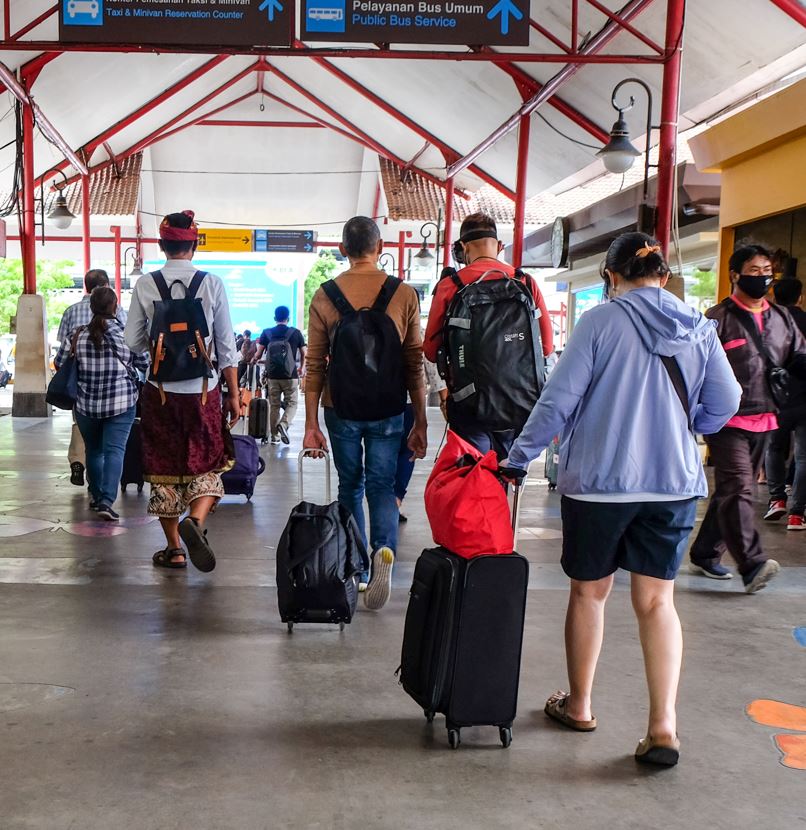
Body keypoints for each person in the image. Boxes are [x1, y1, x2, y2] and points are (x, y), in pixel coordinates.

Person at [500, 232, 740, 766]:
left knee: (589, 594)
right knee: (657, 602)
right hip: (672, 485)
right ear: (662, 274)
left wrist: (519, 458)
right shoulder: (698, 325)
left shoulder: (599, 323)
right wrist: (688, 428)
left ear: (611, 276)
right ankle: (663, 728)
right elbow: (728, 399)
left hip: (600, 487)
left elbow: (557, 401)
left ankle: (580, 705)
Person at [304, 216, 427, 610]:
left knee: (350, 486)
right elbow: (414, 363)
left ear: (343, 250)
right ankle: (383, 553)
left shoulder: (324, 296)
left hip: (340, 407)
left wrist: (309, 424)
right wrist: (420, 420)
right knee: (382, 486)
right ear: (380, 249)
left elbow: (315, 365)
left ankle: (354, 563)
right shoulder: (404, 293)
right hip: (389, 407)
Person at [125, 210, 239, 571]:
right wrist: (234, 394)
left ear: (162, 245)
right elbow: (226, 346)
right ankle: (196, 521)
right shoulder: (211, 283)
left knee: (164, 466)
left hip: (159, 392)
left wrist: (159, 342)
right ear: (194, 244)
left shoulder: (146, 284)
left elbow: (133, 342)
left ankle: (174, 549)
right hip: (203, 392)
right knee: (208, 459)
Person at [689, 245, 806, 590]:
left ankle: (705, 552)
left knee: (730, 490)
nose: (762, 277)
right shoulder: (717, 319)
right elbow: (696, 370)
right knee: (739, 487)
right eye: (753, 270)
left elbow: (798, 356)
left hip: (767, 416)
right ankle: (751, 564)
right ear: (735, 275)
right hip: (726, 421)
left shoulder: (781, 318)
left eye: (767, 270)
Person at [423, 212, 554, 459]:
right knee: (508, 473)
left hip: (469, 403)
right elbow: (546, 347)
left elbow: (430, 350)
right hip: (520, 401)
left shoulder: (452, 285)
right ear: (499, 246)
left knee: (476, 475)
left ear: (463, 247)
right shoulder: (525, 281)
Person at [54, 287, 148, 521]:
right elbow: (145, 361)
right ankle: (107, 500)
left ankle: (96, 497)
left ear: (91, 307)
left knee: (93, 451)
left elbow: (59, 363)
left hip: (86, 404)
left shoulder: (77, 335)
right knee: (115, 450)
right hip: (121, 402)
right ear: (115, 307)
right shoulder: (126, 334)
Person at [57, 269, 128, 488]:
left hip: (82, 390)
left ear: (86, 287)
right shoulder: (120, 314)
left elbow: (62, 357)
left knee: (85, 431)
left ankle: (79, 462)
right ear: (107, 286)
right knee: (113, 445)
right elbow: (131, 348)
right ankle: (105, 494)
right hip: (116, 392)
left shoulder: (71, 312)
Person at [765, 278, 806, 530]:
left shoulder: (767, 323)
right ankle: (796, 515)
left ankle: (777, 499)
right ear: (800, 297)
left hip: (776, 398)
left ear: (774, 296)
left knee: (773, 449)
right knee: (803, 457)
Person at [253, 305, 306, 445]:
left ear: (275, 318)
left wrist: (253, 360)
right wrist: (302, 368)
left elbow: (258, 354)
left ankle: (275, 437)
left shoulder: (267, 333)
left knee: (274, 405)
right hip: (291, 376)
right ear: (288, 318)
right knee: (292, 403)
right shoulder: (295, 333)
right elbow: (304, 353)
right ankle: (284, 424)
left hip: (272, 376)